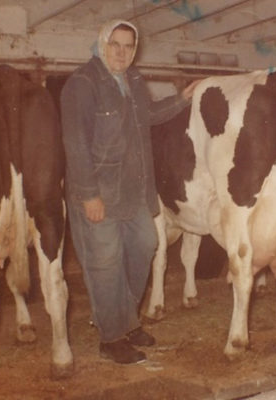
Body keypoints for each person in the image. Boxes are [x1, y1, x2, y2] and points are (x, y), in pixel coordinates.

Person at [60, 19, 199, 364]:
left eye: (128, 46)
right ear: (102, 43)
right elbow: (75, 144)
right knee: (105, 263)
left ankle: (127, 320)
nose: (122, 52)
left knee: (145, 245)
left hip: (135, 191)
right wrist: (90, 195)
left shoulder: (134, 80)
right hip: (99, 194)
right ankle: (111, 338)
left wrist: (182, 99)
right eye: (115, 44)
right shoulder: (81, 84)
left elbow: (148, 115)